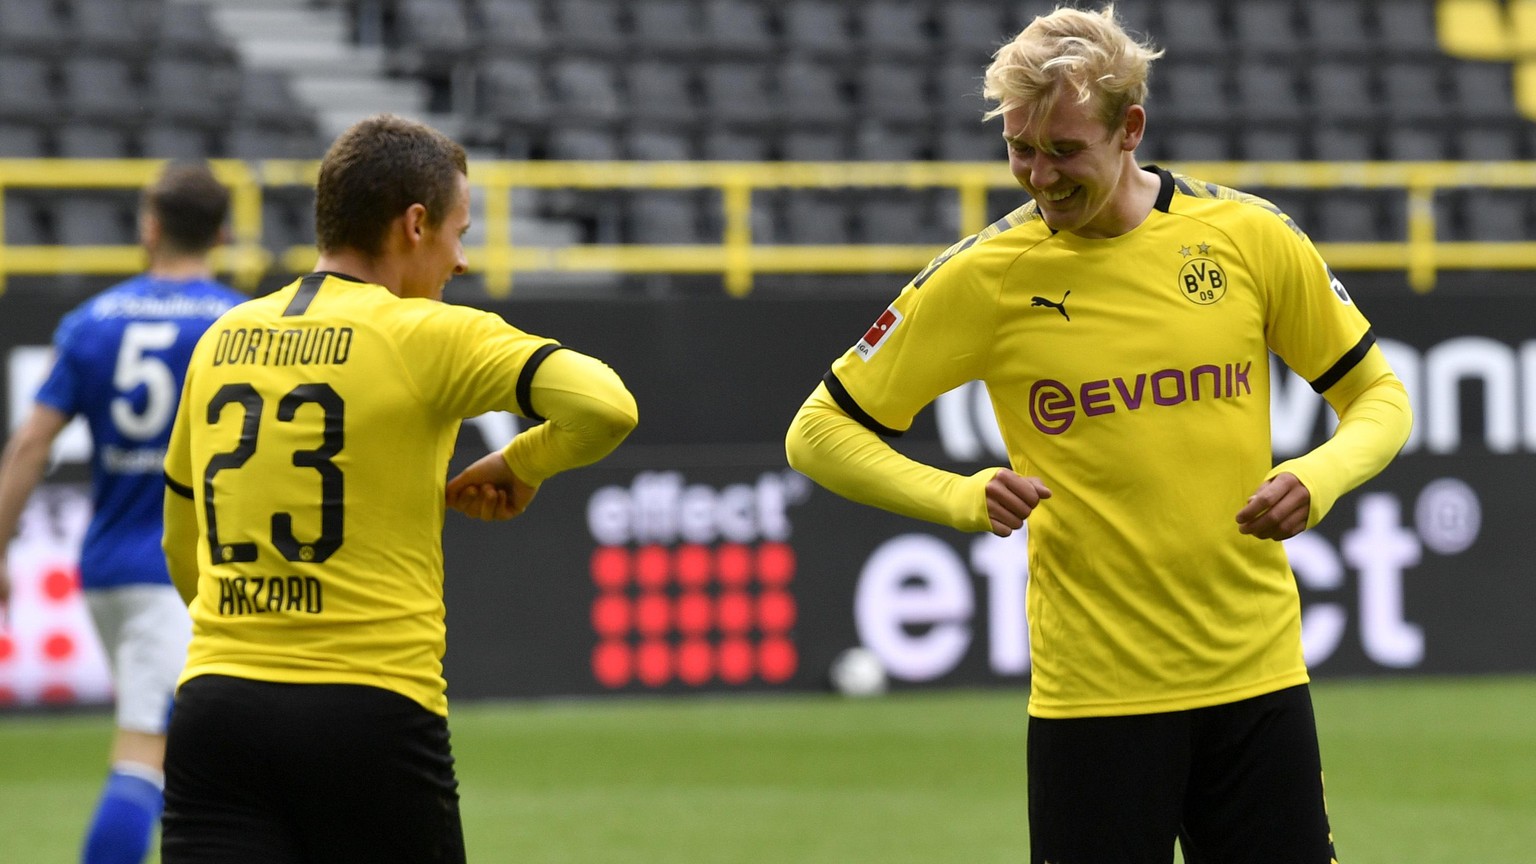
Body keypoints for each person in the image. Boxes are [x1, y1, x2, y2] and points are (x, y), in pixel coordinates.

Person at [785, 6, 1412, 863]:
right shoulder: (987, 277)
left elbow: (1380, 397)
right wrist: (961, 497)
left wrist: (1321, 476)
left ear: (1131, 129)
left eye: (1064, 149)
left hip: (1257, 679)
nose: (1039, 176)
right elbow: (818, 432)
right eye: (1020, 148)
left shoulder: (1246, 236)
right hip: (1095, 699)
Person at [158, 113, 637, 863]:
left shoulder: (221, 339)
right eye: (459, 230)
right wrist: (524, 463)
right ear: (415, 224)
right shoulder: (425, 335)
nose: (463, 260)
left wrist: (251, 644)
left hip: (218, 706)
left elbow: (182, 543)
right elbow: (607, 405)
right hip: (370, 707)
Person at [0, 163, 244, 864]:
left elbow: (30, 443)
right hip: (184, 572)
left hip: (109, 564)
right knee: (147, 752)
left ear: (150, 227)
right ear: (224, 232)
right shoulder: (238, 325)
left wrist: (0, 548)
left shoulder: (92, 322)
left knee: (187, 758)